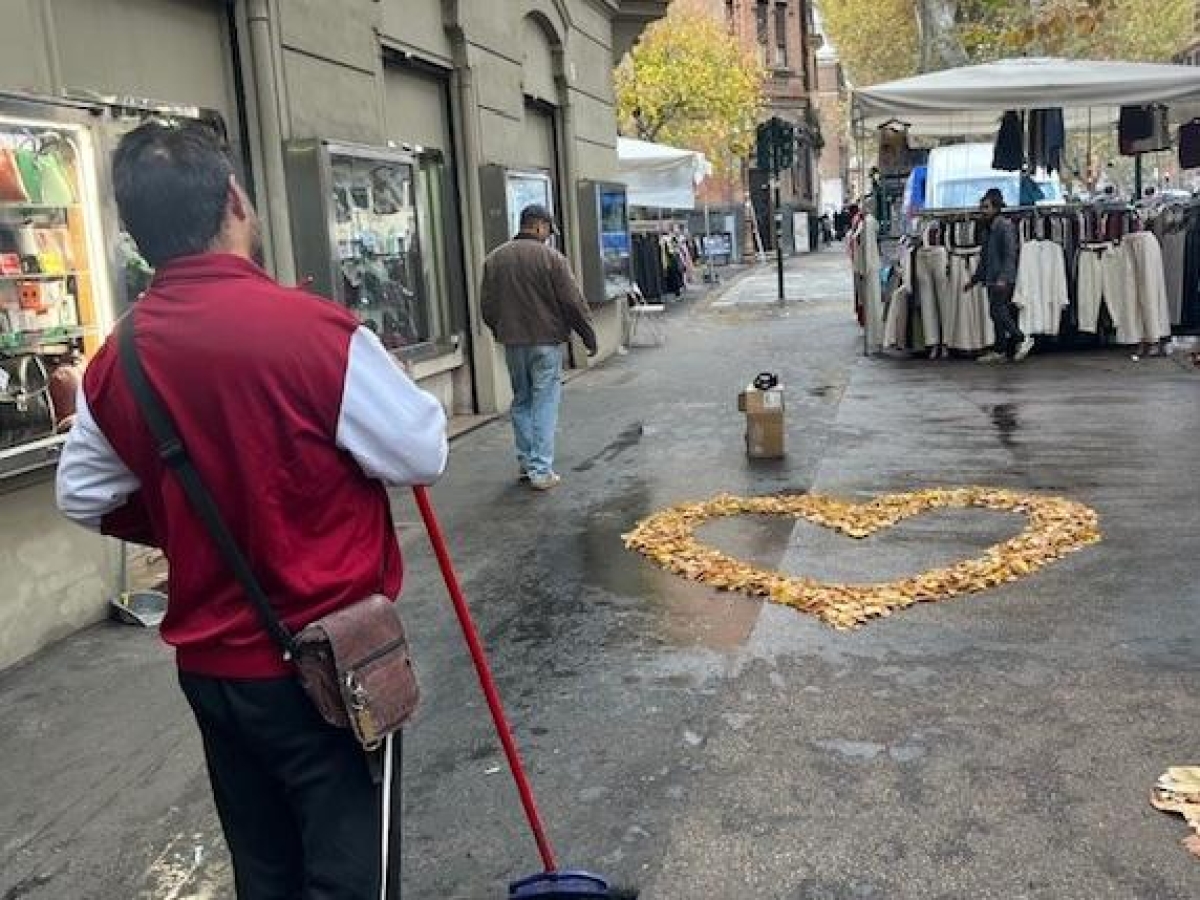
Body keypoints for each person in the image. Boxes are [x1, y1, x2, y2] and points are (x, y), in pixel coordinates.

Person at [55, 120, 448, 900]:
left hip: (212, 674)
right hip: (327, 667)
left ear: (136, 232)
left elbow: (84, 495)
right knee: (350, 876)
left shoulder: (118, 358)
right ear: (234, 198)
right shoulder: (314, 333)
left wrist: (179, 518)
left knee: (264, 870)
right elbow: (421, 451)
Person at [481, 203, 596, 491]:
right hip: (546, 341)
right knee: (545, 402)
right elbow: (572, 302)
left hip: (513, 342)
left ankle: (526, 461)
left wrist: (501, 329)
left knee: (521, 400)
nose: (547, 236)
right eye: (547, 230)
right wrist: (588, 335)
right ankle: (541, 470)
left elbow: (487, 306)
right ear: (539, 226)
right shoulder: (552, 259)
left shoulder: (495, 259)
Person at [968, 187, 1033, 363]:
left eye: (987, 207)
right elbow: (984, 257)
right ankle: (1000, 349)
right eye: (982, 207)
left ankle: (1021, 338)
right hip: (991, 278)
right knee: (995, 313)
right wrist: (974, 280)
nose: (983, 211)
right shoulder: (986, 229)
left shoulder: (1004, 226)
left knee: (1000, 311)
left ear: (996, 208)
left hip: (1002, 279)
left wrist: (1004, 278)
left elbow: (1010, 254)